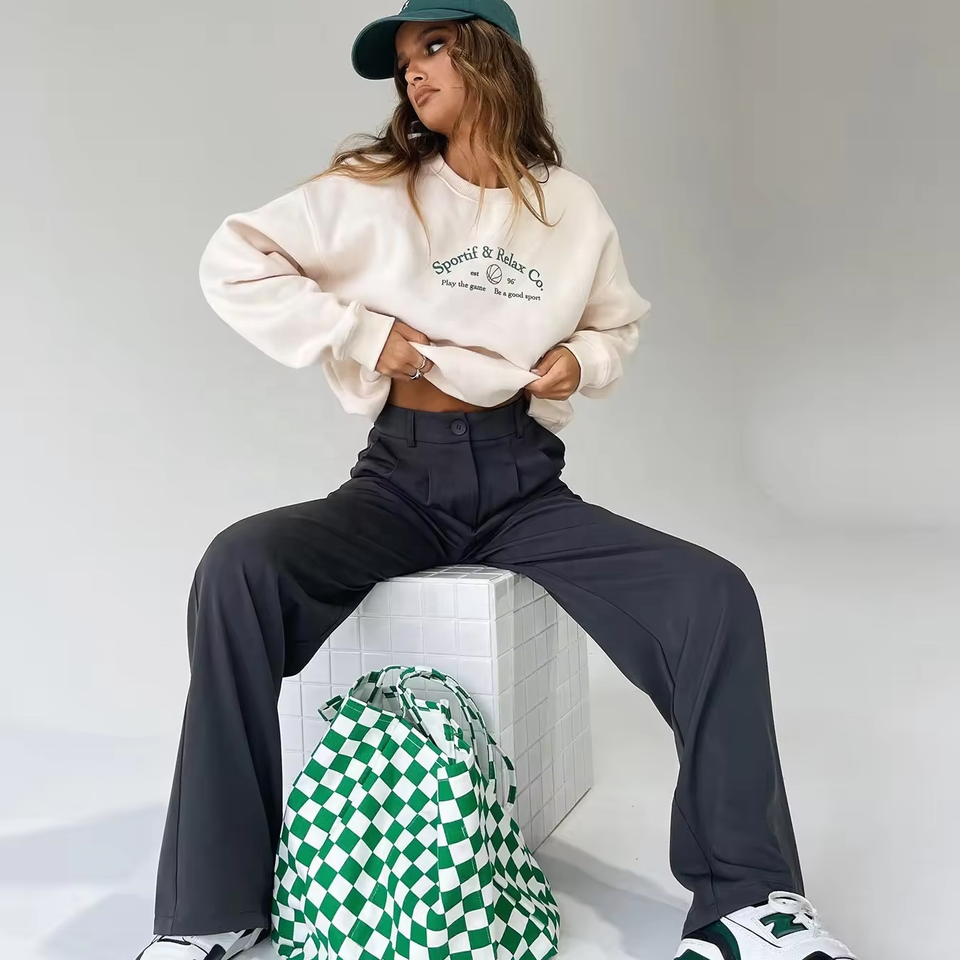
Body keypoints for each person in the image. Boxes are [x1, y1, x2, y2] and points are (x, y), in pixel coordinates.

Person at [137, 1, 859, 958]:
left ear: (493, 57)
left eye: (434, 47)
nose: (413, 73)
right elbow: (235, 261)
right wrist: (361, 334)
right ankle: (214, 905)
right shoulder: (374, 190)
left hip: (523, 484)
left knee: (713, 595)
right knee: (240, 567)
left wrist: (579, 361)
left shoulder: (570, 207)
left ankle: (749, 904)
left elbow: (615, 323)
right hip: (398, 480)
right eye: (404, 60)